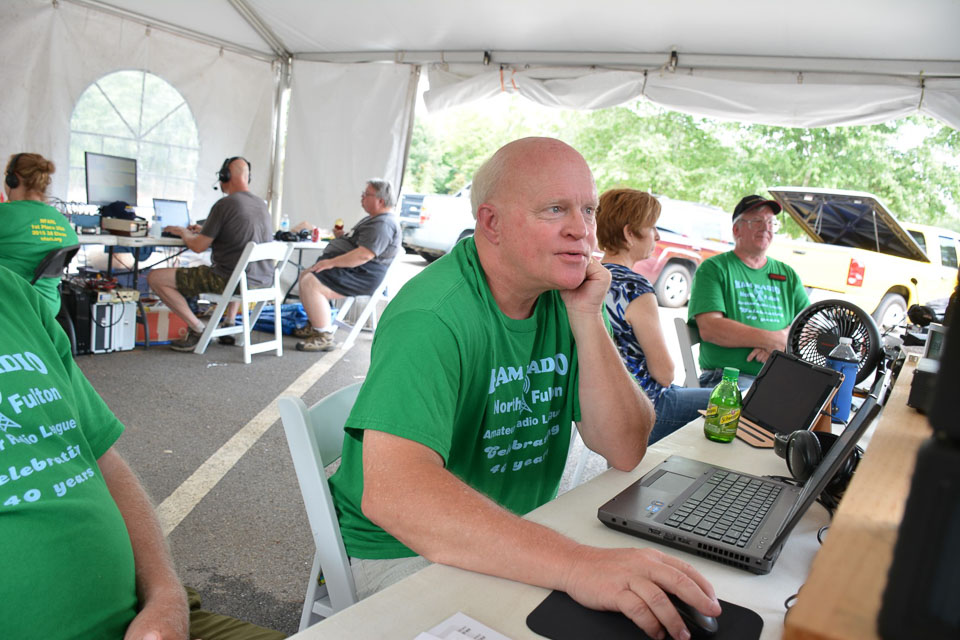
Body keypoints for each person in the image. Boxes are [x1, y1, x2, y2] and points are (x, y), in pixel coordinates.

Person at [327, 138, 720, 640]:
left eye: (588, 210)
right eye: (555, 209)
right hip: (408, 550)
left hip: (521, 526)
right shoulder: (432, 315)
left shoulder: (563, 295)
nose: (582, 230)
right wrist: (576, 565)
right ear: (491, 223)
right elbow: (397, 497)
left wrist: (588, 318)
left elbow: (624, 447)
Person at [0, 264, 284, 640]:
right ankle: (201, 328)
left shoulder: (13, 293)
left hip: (151, 612)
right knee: (158, 277)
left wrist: (167, 596)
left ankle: (200, 328)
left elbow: (102, 458)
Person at [596, 188, 715, 443]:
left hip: (596, 402)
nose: (658, 235)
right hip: (642, 405)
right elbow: (665, 374)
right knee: (734, 401)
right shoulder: (635, 288)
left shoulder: (589, 277)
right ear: (629, 233)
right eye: (652, 227)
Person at [147, 157, 272, 352]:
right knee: (238, 266)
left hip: (230, 281)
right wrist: (207, 230)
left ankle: (199, 329)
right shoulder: (261, 204)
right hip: (261, 280)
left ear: (224, 176)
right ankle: (229, 322)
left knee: (155, 277)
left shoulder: (225, 204)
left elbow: (198, 246)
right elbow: (239, 237)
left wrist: (183, 232)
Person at [687, 194, 810, 388]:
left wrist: (783, 344)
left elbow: (811, 324)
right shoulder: (714, 269)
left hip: (780, 377)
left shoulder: (787, 275)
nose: (765, 227)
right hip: (728, 381)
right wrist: (773, 340)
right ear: (736, 230)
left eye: (771, 222)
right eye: (757, 221)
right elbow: (711, 328)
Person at [293, 179, 401, 352]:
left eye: (366, 194)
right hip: (356, 271)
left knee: (310, 283)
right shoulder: (375, 220)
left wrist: (330, 262)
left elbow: (364, 254)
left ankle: (324, 336)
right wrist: (341, 237)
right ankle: (315, 324)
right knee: (306, 275)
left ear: (380, 200)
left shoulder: (383, 224)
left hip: (363, 274)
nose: (362, 197)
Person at [0, 152, 78, 315]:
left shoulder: (5, 214)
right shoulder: (63, 223)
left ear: (13, 179)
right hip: (46, 311)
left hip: (10, 308)